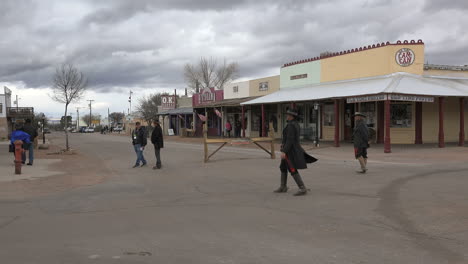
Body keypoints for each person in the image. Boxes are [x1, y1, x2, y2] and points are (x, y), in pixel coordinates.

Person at [274, 108, 317, 196]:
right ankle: (283, 186)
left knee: (292, 168)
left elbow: (290, 140)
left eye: (288, 115)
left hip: (291, 150)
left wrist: (284, 151)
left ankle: (302, 188)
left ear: (291, 116)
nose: (287, 116)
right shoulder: (294, 124)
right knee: (283, 167)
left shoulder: (291, 125)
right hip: (290, 148)